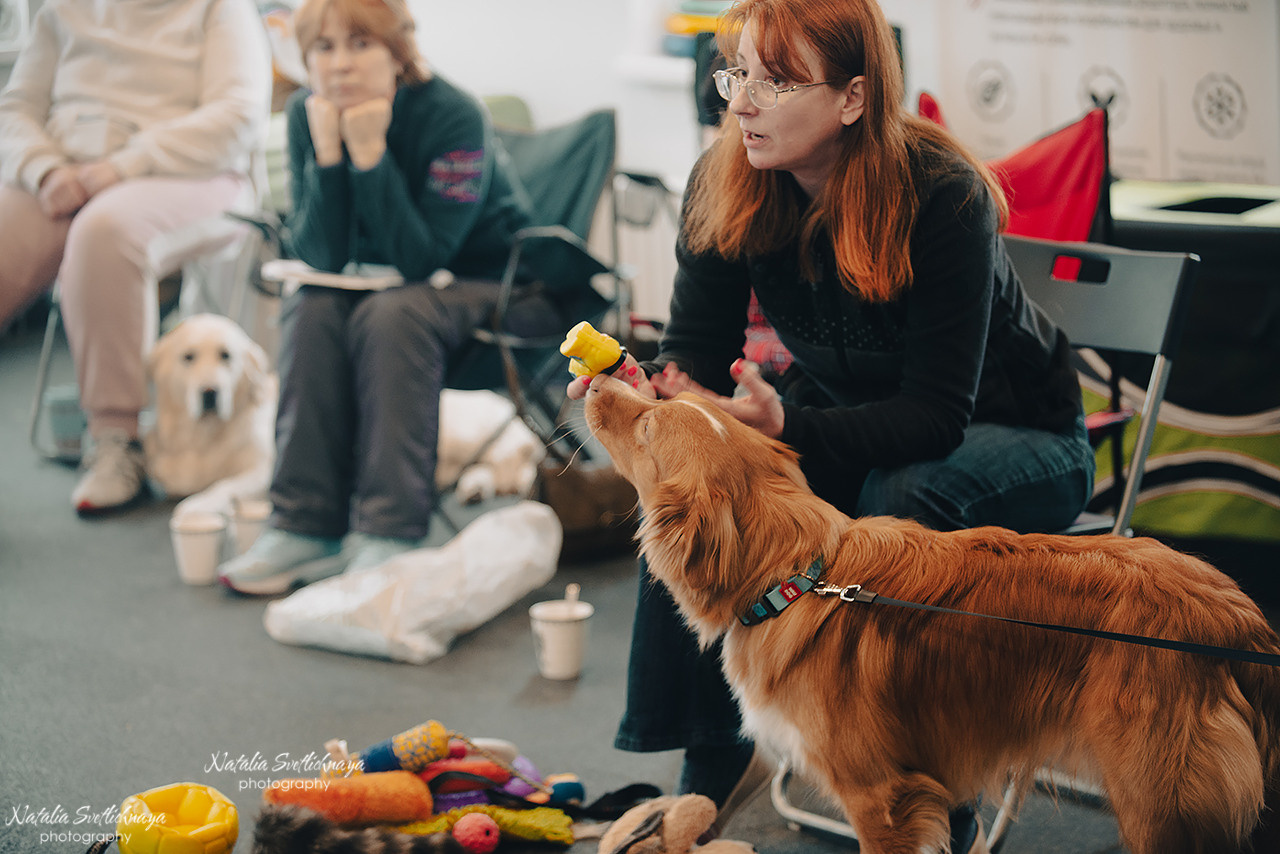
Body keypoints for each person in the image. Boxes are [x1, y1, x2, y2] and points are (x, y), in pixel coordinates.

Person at [568, 0, 1096, 848]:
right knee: (689, 500)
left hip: (1022, 440)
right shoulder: (725, 175)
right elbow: (692, 354)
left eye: (774, 80)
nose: (741, 101)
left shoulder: (941, 195)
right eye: (735, 72)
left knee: (902, 495)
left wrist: (787, 433)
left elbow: (934, 418)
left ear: (853, 97)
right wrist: (645, 390)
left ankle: (926, 787)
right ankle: (705, 772)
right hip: (832, 421)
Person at [218, 0, 562, 594]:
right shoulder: (307, 113)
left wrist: (371, 154)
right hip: (391, 293)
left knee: (392, 312)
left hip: (501, 286)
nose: (339, 65)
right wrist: (329, 155)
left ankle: (394, 531)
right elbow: (319, 257)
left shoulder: (453, 114)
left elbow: (421, 258)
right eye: (323, 49)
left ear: (398, 49)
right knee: (313, 301)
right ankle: (305, 524)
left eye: (360, 44)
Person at [0, 0, 271, 514]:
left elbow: (237, 115)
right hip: (63, 172)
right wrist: (44, 169)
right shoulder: (60, 10)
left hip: (191, 175)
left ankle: (115, 438)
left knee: (105, 234)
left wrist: (122, 167)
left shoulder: (221, 9)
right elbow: (15, 109)